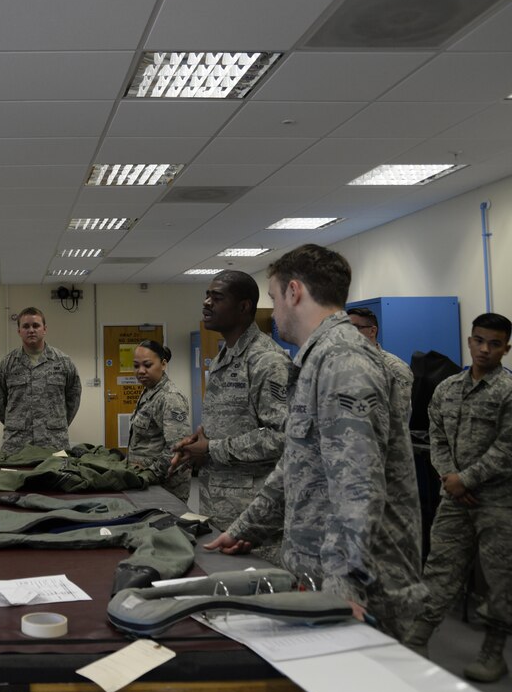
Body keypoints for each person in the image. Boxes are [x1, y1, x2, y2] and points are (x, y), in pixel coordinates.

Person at [205, 244, 424, 640]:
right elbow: (296, 461)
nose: (273, 312)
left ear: (294, 291)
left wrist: (344, 583)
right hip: (320, 573)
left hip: (363, 589)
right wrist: (247, 527)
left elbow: (359, 485)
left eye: (273, 298)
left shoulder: (344, 362)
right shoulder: (317, 359)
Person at [403, 313, 512, 682]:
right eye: (479, 340)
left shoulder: (508, 391)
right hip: (454, 499)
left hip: (498, 501)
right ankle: (417, 638)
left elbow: (507, 448)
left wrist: (466, 480)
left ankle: (493, 653)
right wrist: (450, 477)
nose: (485, 349)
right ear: (469, 341)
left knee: (500, 579)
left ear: (506, 348)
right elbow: (435, 435)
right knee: (440, 568)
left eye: (494, 343)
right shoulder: (447, 388)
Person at [171, 270, 291, 561]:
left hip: (253, 517)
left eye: (217, 297)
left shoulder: (267, 360)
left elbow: (282, 437)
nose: (206, 303)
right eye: (207, 296)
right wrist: (199, 442)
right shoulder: (225, 355)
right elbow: (234, 421)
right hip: (218, 506)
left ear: (243, 306)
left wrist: (211, 448)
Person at [0, 307, 81, 453]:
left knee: (56, 470)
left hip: (54, 442)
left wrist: (57, 423)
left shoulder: (63, 362)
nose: (31, 330)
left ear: (44, 329)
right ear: (19, 331)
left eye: (36, 325)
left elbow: (73, 399)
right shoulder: (8, 363)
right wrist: (15, 422)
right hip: (17, 444)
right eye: (26, 326)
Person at [127, 340, 191, 503]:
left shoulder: (170, 398)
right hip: (145, 482)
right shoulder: (150, 391)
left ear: (163, 364)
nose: (141, 371)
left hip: (164, 486)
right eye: (136, 366)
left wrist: (150, 474)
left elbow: (177, 448)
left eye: (147, 365)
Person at [347, 306, 414, 424]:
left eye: (354, 328)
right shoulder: (345, 365)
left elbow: (398, 417)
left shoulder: (394, 367)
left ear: (372, 331)